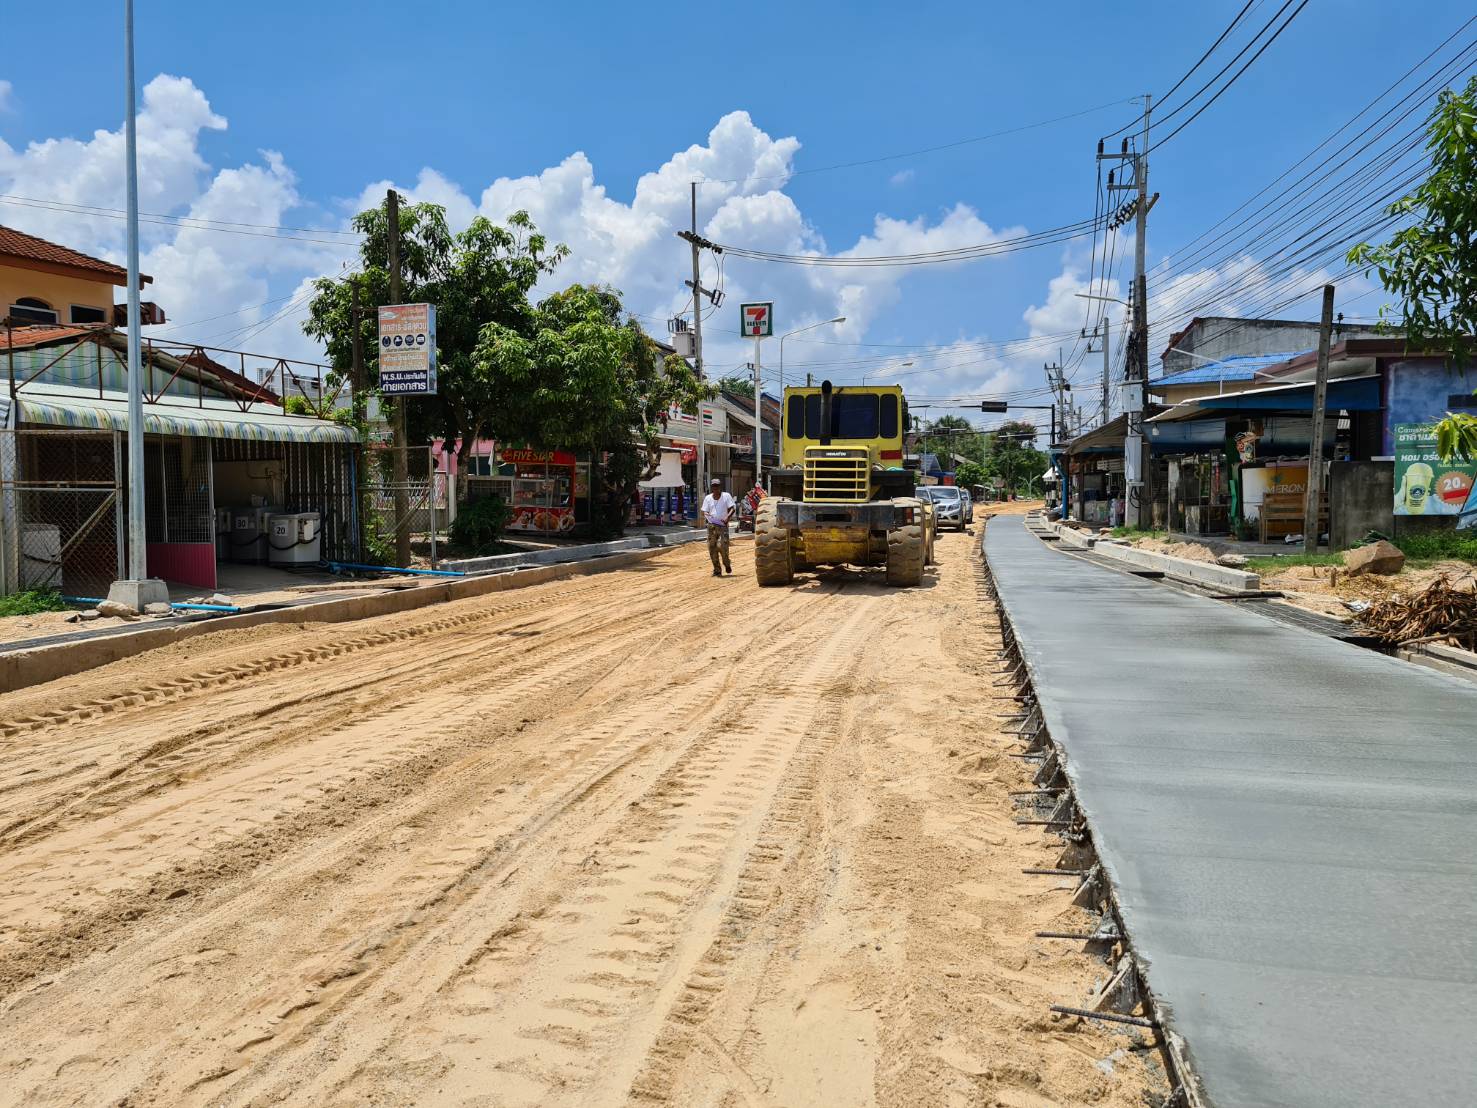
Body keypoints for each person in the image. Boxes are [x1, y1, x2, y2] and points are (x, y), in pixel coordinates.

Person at [701, 477, 735, 576]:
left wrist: (727, 518)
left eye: (717, 486)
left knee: (722, 546)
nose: (715, 488)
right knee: (712, 548)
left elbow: (732, 508)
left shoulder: (726, 496)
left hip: (723, 525)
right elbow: (705, 511)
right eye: (714, 486)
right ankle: (717, 569)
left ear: (720, 487)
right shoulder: (708, 498)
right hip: (712, 526)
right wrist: (708, 516)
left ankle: (727, 563)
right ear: (711, 487)